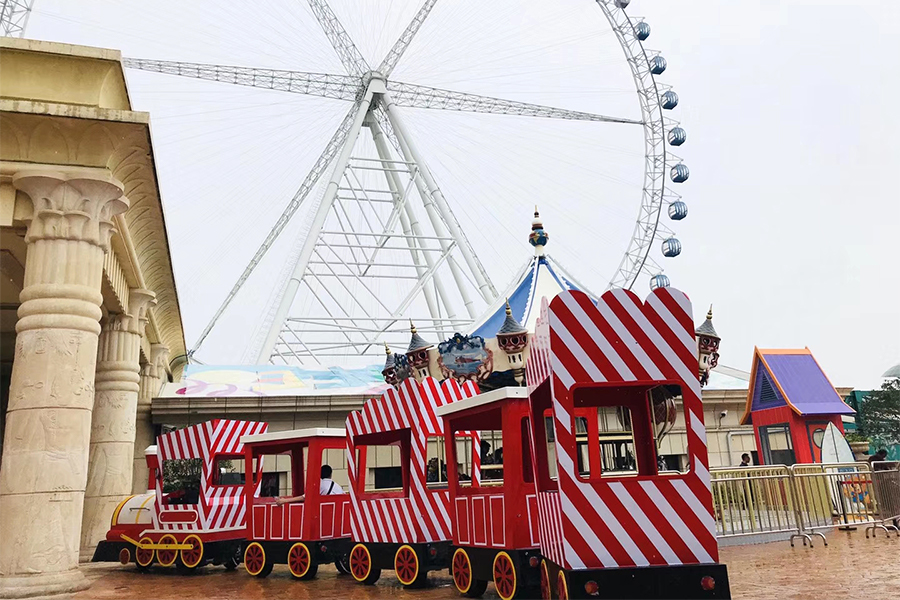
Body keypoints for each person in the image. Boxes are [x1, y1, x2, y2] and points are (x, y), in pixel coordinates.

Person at [276, 465, 344, 504]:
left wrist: (285, 501)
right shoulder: (338, 487)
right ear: (331, 474)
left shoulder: (319, 485)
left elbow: (305, 497)